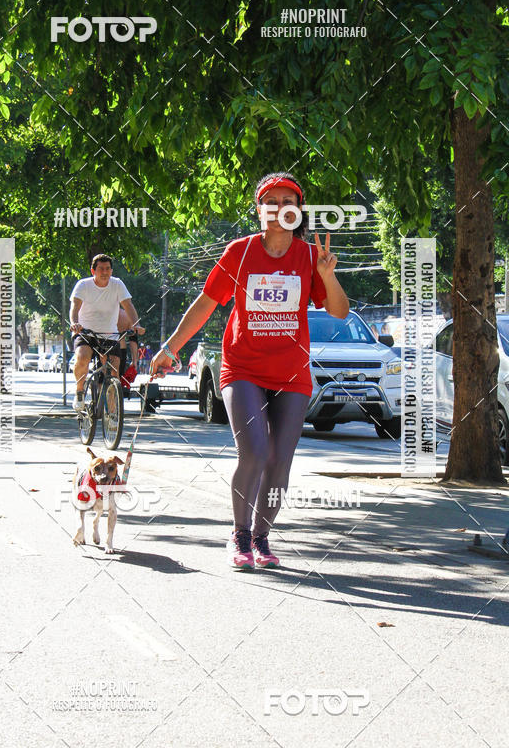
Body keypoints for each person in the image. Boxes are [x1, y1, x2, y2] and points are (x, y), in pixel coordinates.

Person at [151, 172, 349, 570]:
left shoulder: (311, 257)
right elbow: (206, 304)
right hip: (242, 367)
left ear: (299, 211)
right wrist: (171, 347)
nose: (279, 208)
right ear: (259, 209)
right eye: (270, 201)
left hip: (291, 373)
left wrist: (327, 275)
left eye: (287, 201)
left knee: (280, 461)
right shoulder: (239, 252)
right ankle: (239, 534)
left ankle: (262, 537)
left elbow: (339, 311)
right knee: (256, 452)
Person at [70, 254, 141, 412]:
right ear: (93, 271)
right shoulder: (83, 285)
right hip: (85, 332)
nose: (105, 272)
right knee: (82, 357)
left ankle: (113, 414)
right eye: (101, 269)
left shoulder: (117, 284)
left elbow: (128, 305)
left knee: (113, 373)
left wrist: (136, 324)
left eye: (108, 269)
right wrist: (75, 323)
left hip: (109, 334)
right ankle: (79, 391)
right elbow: (74, 307)